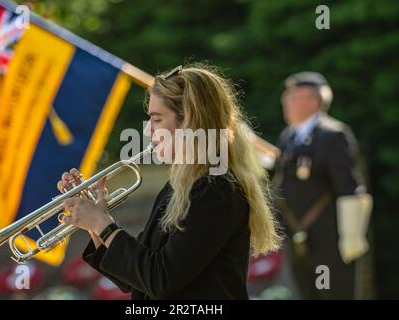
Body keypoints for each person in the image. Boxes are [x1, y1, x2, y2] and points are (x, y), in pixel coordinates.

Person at [56, 64, 282, 300]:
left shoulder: (215, 189)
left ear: (189, 121)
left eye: (157, 119)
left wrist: (102, 223)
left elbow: (161, 279)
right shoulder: (180, 186)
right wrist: (96, 224)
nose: (148, 132)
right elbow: (134, 276)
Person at [273, 71, 372, 299]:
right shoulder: (288, 136)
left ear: (314, 101)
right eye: (287, 96)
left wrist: (351, 238)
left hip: (330, 239)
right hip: (299, 237)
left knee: (334, 294)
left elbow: (350, 188)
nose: (286, 101)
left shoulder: (333, 134)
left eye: (294, 96)